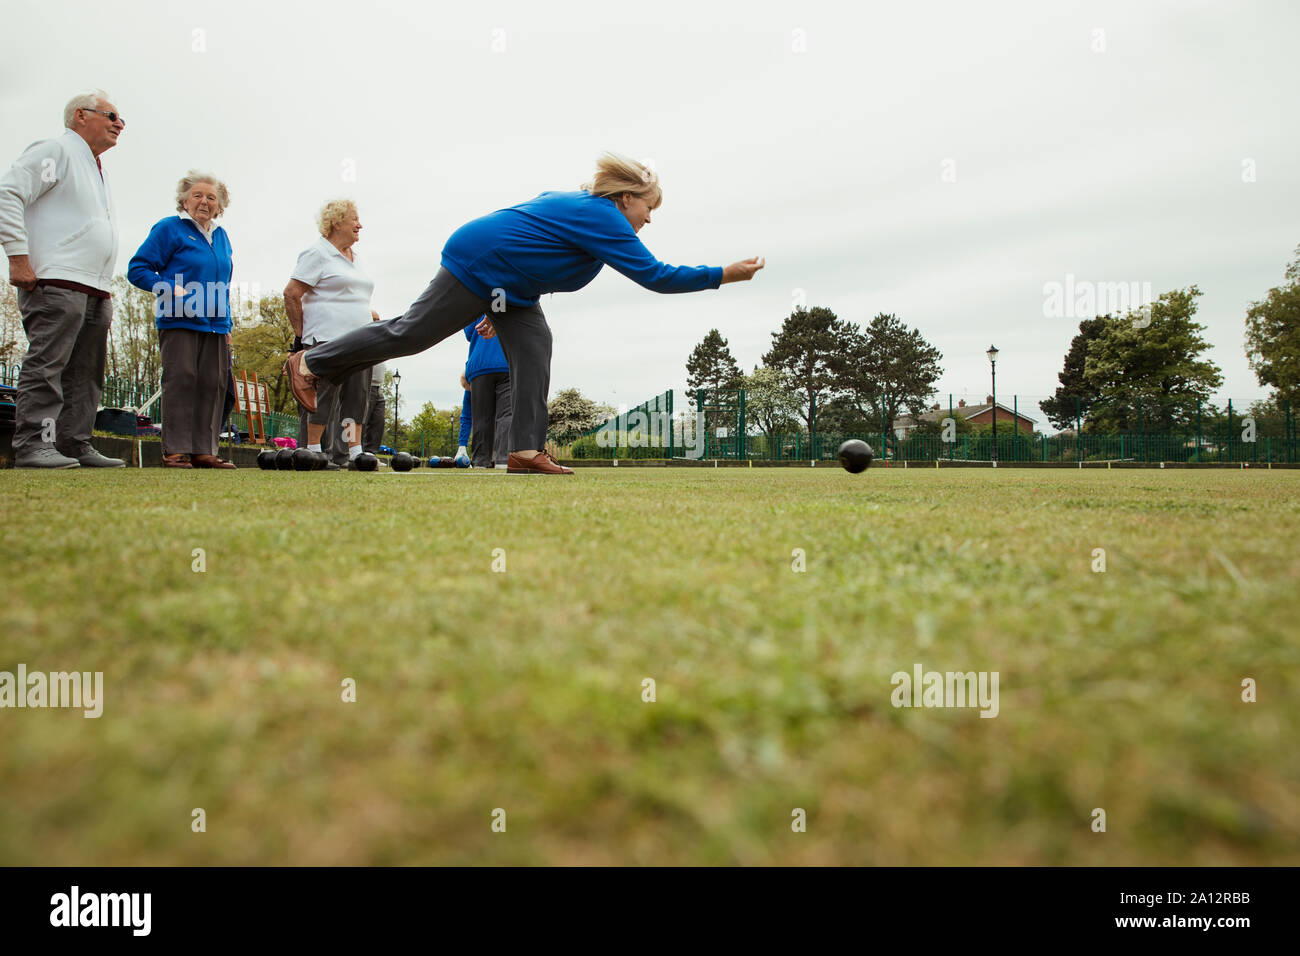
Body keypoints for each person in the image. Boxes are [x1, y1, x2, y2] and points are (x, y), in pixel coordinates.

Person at [284, 153, 764, 475]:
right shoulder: (603, 215)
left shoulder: (590, 212)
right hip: (480, 263)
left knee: (534, 346)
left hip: (510, 287)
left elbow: (540, 242)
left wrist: (498, 302)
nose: (649, 218)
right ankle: (310, 362)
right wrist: (724, 273)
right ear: (625, 198)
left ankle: (524, 451)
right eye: (648, 206)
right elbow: (656, 276)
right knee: (410, 335)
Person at [0, 89, 126, 468]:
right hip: (57, 281)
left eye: (121, 120)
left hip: (94, 286)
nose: (119, 124)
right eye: (112, 116)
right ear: (80, 116)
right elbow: (9, 193)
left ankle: (73, 442)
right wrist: (17, 256)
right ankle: (36, 444)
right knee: (49, 366)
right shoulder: (56, 151)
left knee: (86, 374)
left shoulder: (94, 167)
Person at [127, 170, 236, 468]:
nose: (204, 201)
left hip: (215, 323)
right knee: (183, 379)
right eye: (197, 196)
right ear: (184, 201)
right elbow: (138, 269)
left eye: (211, 197)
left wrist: (227, 324)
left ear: (219, 205)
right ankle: (175, 449)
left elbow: (223, 283)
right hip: (179, 319)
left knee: (213, 383)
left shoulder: (222, 236)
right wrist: (169, 289)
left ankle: (204, 450)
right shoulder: (169, 229)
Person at [284, 200, 375, 470]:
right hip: (326, 337)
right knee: (323, 395)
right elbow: (291, 294)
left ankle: (353, 451)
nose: (360, 224)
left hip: (360, 338)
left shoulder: (355, 258)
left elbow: (347, 294)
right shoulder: (317, 253)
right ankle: (313, 450)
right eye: (354, 219)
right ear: (336, 222)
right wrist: (301, 336)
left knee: (356, 397)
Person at [463, 318, 511, 467]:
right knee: (507, 415)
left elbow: (469, 332)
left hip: (480, 364)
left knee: (481, 418)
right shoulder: (511, 301)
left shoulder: (476, 305)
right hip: (507, 362)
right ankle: (504, 459)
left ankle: (480, 462)